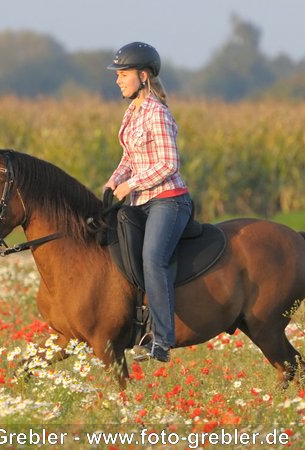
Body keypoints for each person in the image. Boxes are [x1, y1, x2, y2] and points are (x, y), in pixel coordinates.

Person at [105, 42, 192, 363]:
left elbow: (169, 165)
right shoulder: (133, 112)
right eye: (118, 74)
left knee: (153, 258)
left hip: (168, 201)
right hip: (140, 201)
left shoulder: (157, 113)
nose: (118, 80)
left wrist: (131, 184)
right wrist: (115, 179)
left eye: (123, 74)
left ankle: (162, 340)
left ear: (143, 76)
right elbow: (130, 157)